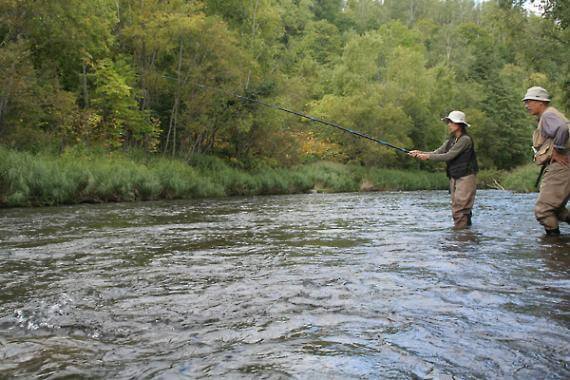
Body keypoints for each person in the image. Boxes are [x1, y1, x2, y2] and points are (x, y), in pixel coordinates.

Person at [409, 110, 478, 229]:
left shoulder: (465, 140)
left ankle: (461, 238)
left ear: (459, 124)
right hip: (455, 177)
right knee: (458, 208)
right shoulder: (450, 141)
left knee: (460, 210)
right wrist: (419, 153)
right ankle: (465, 236)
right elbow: (437, 152)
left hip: (466, 177)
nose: (449, 125)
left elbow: (449, 156)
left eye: (451, 122)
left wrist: (427, 157)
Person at [523, 86, 570, 236]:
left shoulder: (548, 115)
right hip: (563, 166)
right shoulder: (550, 114)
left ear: (541, 102)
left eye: (529, 101)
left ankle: (554, 244)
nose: (526, 105)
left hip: (561, 167)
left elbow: (564, 128)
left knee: (543, 210)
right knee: (558, 210)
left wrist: (558, 149)